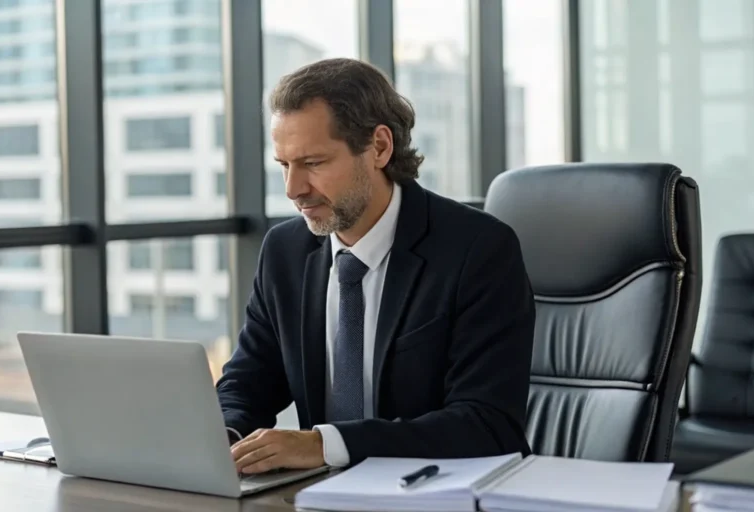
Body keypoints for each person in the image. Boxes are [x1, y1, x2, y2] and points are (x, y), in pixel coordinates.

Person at [217, 58, 535, 475]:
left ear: (379, 148)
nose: (293, 189)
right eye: (284, 165)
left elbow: (489, 425)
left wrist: (325, 444)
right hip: (320, 498)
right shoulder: (284, 251)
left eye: (313, 163)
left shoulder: (478, 250)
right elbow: (248, 382)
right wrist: (223, 437)